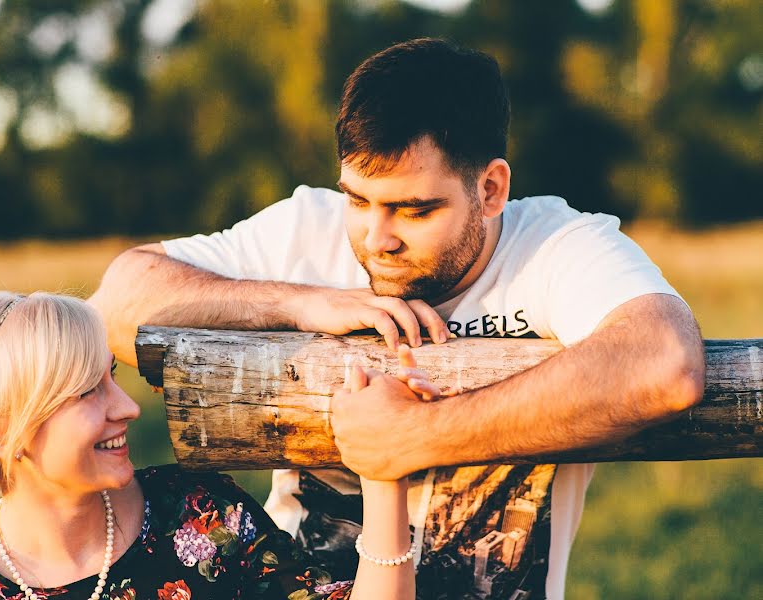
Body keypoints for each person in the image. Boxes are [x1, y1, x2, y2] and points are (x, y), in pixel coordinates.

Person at [89, 38, 705, 599]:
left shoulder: (556, 246)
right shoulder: (307, 230)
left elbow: (666, 364)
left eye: (413, 210)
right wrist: (299, 302)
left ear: (490, 190)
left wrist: (407, 439)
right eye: (358, 200)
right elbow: (118, 303)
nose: (375, 238)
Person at [0, 291, 417, 599]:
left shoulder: (204, 517)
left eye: (113, 376)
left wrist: (383, 471)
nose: (126, 407)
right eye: (86, 391)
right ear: (0, 431)